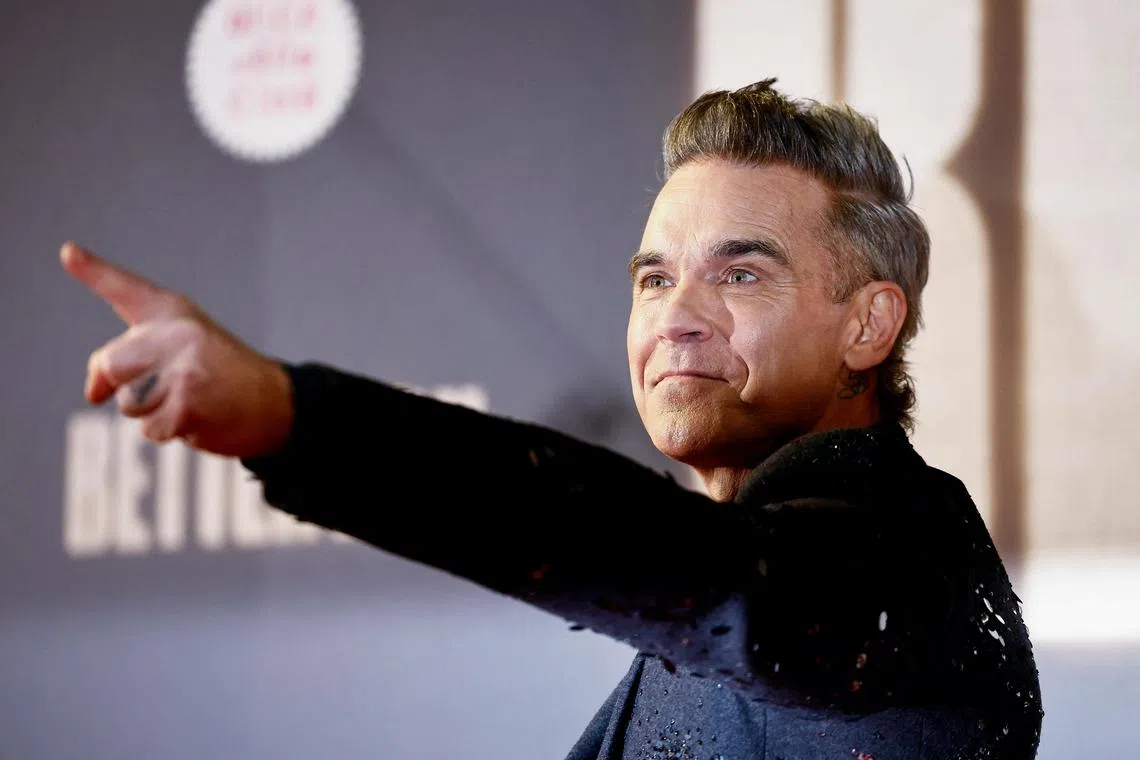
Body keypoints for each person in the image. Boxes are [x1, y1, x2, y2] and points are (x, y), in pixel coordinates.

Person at [62, 79, 1043, 759]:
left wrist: (291, 418)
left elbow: (699, 573)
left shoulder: (908, 552)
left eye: (740, 273)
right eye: (655, 278)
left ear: (870, 322)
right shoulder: (698, 636)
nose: (676, 316)